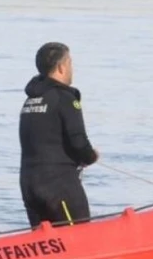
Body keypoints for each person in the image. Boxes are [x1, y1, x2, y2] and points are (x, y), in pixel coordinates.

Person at [18, 41, 99, 228]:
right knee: (78, 240)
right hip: (59, 187)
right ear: (61, 67)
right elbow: (78, 141)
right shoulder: (65, 97)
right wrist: (91, 156)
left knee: (46, 247)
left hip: (30, 185)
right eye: (70, 63)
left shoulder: (31, 100)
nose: (72, 68)